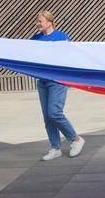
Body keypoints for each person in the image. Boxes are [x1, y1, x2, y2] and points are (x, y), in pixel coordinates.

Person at [31, 10, 86, 161]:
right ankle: (55, 148)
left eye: (40, 21)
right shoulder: (35, 38)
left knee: (54, 112)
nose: (37, 23)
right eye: (37, 20)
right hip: (42, 81)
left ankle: (75, 139)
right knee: (47, 117)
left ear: (49, 22)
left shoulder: (61, 37)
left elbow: (69, 57)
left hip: (58, 81)